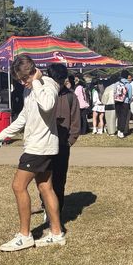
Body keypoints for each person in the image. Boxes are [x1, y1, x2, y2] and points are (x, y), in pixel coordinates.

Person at [0, 55, 65, 251]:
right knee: (45, 187)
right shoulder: (29, 89)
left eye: (25, 78)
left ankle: (25, 235)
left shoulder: (47, 85)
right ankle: (56, 233)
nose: (23, 83)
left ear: (34, 71)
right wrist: (3, 134)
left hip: (39, 147)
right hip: (37, 145)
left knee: (18, 186)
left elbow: (47, 106)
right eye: (20, 80)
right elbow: (24, 117)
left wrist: (37, 82)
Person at [46, 63, 82, 219]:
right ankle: (46, 205)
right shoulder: (43, 93)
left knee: (59, 179)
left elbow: (76, 121)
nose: (58, 83)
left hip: (62, 144)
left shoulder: (70, 96)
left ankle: (57, 211)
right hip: (44, 143)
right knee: (44, 179)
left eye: (61, 80)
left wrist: (70, 140)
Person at [114, 70, 133, 137]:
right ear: (127, 76)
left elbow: (114, 92)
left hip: (117, 101)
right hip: (125, 102)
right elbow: (130, 96)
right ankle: (121, 132)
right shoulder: (128, 85)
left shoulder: (117, 83)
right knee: (124, 117)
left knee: (119, 116)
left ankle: (118, 130)